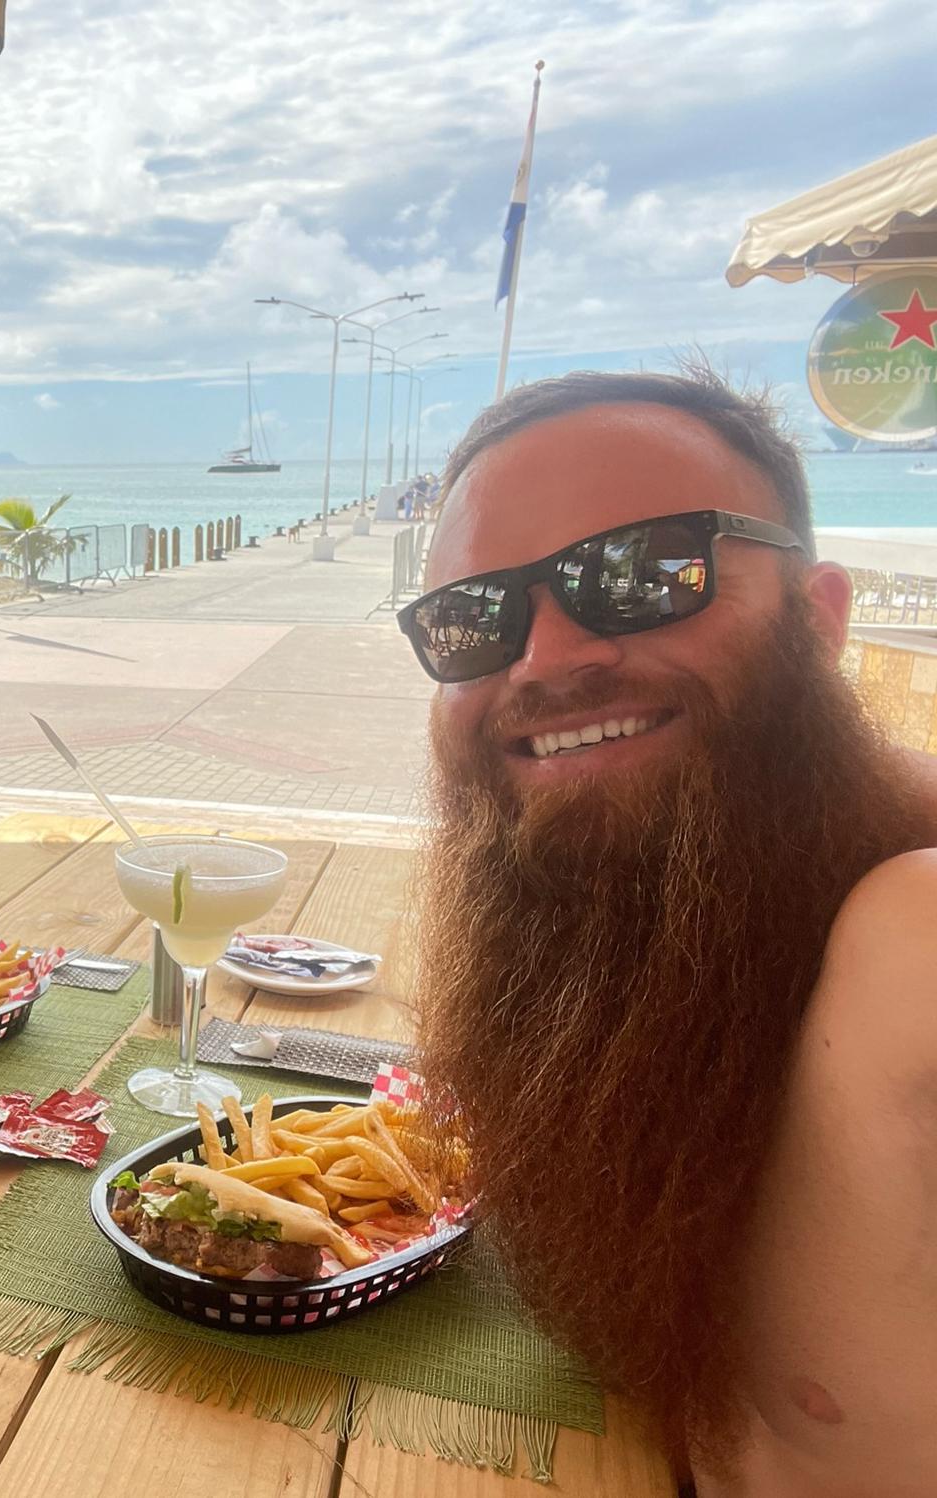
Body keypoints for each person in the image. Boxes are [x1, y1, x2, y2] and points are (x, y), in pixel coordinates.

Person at [397, 368, 937, 1496]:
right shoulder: (596, 941)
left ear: (819, 615)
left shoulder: (911, 933)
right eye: (473, 618)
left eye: (640, 573)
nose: (541, 658)